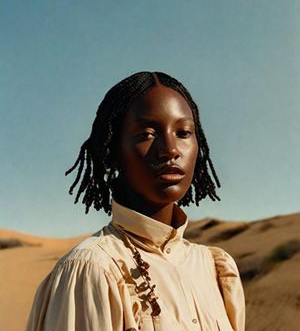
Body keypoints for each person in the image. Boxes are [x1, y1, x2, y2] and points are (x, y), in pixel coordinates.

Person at [26, 71, 245, 331]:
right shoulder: (92, 269)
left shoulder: (214, 268)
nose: (171, 150)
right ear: (112, 151)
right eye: (147, 134)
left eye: (184, 132)